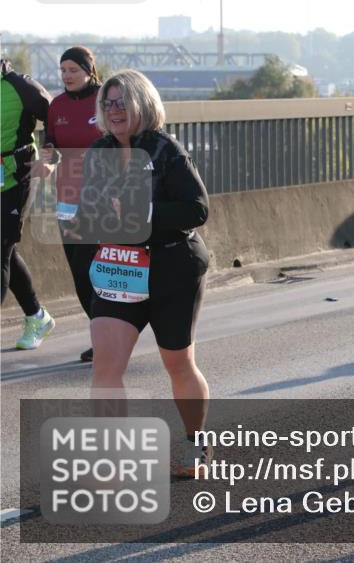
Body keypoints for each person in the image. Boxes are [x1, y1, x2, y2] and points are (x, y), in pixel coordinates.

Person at [77, 70, 212, 476]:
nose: (114, 110)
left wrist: (144, 212)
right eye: (108, 103)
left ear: (142, 105)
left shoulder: (166, 149)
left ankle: (196, 449)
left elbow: (197, 209)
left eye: (122, 102)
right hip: (121, 267)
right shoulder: (98, 151)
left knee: (179, 364)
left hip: (172, 265)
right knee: (105, 365)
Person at [33, 46, 104, 363]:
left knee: (96, 270)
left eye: (73, 70)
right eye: (63, 71)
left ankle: (110, 337)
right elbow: (52, 144)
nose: (67, 76)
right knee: (79, 273)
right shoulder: (57, 105)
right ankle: (103, 335)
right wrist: (47, 160)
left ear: (89, 70)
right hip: (67, 199)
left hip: (102, 199)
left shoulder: (107, 99)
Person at [1, 58, 56, 350]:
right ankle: (37, 316)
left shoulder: (22, 86)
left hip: (18, 176)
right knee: (6, 249)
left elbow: (56, 118)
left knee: (1, 246)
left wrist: (48, 156)